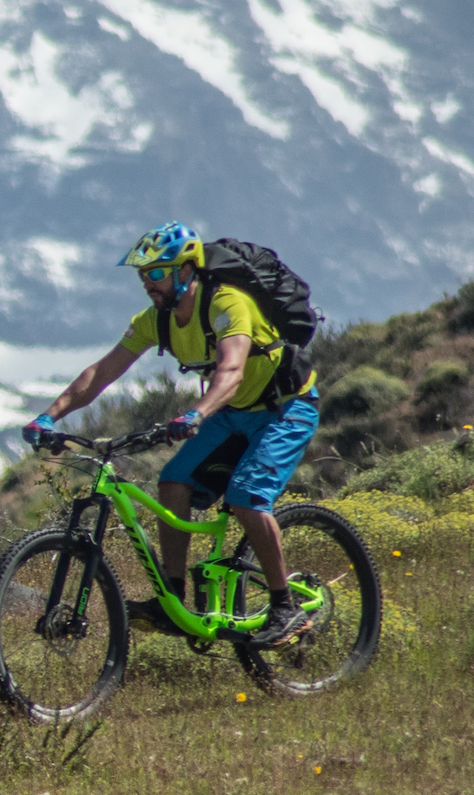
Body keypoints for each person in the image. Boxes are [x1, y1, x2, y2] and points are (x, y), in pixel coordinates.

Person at [19, 222, 322, 647]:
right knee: (173, 481)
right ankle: (173, 600)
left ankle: (285, 607)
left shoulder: (227, 303)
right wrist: (48, 417)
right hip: (232, 412)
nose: (148, 283)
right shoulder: (155, 321)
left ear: (186, 269)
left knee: (247, 496)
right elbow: (101, 372)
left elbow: (231, 370)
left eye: (157, 273)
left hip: (285, 407)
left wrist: (197, 413)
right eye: (143, 275)